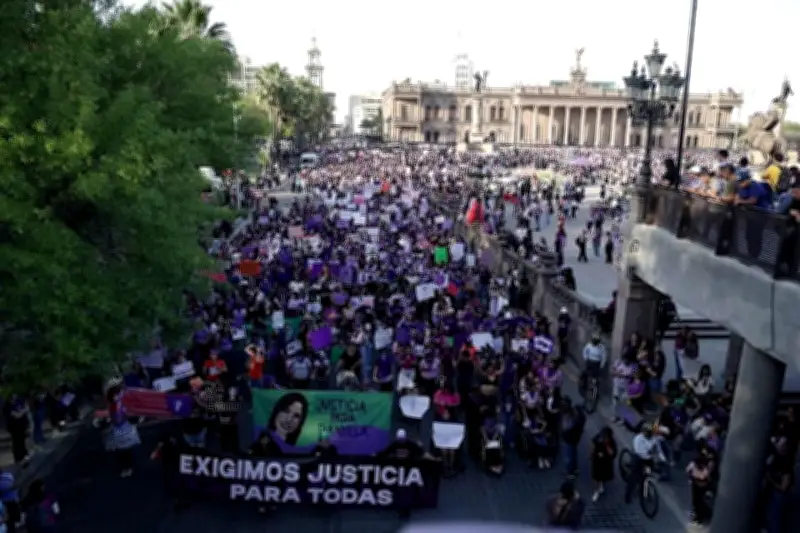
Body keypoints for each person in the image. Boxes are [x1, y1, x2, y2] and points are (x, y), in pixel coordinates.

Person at [624, 423, 666, 504]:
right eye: (648, 433)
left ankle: (644, 489)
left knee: (648, 474)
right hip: (639, 458)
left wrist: (663, 459)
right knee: (634, 477)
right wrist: (648, 452)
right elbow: (638, 450)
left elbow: (658, 450)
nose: (650, 434)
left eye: (650, 433)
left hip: (648, 460)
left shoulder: (654, 439)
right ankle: (627, 495)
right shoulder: (638, 438)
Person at [590, 427, 617, 502]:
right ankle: (596, 491)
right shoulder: (597, 438)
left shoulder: (612, 442)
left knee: (603, 476)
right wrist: (592, 454)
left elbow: (612, 454)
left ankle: (601, 485)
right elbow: (592, 445)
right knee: (596, 477)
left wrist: (607, 445)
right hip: (597, 461)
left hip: (606, 463)